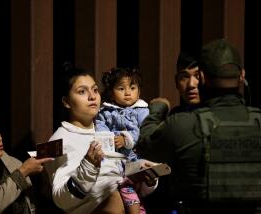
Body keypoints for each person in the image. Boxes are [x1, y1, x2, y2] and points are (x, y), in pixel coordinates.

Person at [137, 38, 261, 214]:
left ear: (202, 77)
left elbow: (144, 145)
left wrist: (156, 111)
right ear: (242, 75)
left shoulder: (183, 124)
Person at [44, 64, 157, 214]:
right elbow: (61, 199)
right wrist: (88, 166)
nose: (92, 96)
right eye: (82, 91)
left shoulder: (108, 130)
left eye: (95, 90)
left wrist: (144, 177)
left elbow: (122, 182)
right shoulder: (57, 141)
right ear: (66, 102)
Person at [138, 52, 202, 213]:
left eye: (197, 76)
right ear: (176, 81)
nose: (191, 84)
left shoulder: (217, 116)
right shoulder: (174, 117)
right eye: (184, 77)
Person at [95, 67, 150, 213]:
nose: (127, 93)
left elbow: (144, 132)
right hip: (114, 158)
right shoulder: (105, 112)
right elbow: (100, 128)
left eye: (132, 88)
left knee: (131, 185)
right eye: (121, 88)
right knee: (123, 185)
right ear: (111, 93)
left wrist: (126, 139)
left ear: (138, 91)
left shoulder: (142, 111)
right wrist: (110, 139)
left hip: (134, 157)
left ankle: (136, 209)